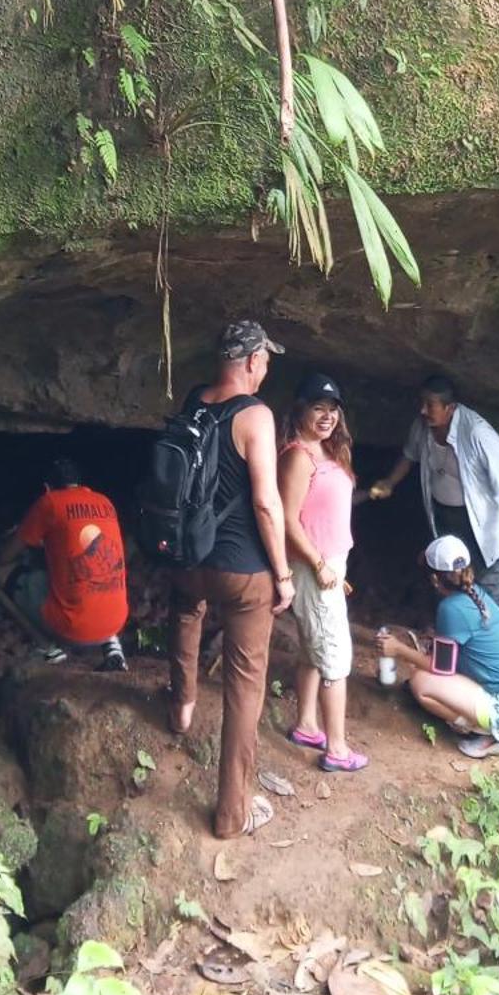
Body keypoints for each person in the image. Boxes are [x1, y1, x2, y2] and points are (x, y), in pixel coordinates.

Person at [167, 316, 295, 839]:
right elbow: (266, 502)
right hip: (242, 570)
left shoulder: (195, 401)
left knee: (185, 613)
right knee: (245, 687)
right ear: (249, 362)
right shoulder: (256, 415)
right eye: (264, 361)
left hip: (189, 559)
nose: (265, 370)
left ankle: (181, 707)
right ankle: (230, 813)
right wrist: (283, 574)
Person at [377, 534, 499, 759]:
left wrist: (399, 650)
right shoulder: (477, 593)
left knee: (421, 682)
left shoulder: (451, 608)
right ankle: (495, 726)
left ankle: (490, 735)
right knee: (425, 672)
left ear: (435, 580)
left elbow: (442, 667)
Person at [277, 370, 368, 774]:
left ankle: (306, 725)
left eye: (333, 409)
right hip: (313, 566)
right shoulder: (298, 455)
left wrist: (333, 566)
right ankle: (336, 749)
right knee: (335, 658)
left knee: (314, 652)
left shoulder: (330, 452)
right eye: (319, 408)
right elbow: (287, 519)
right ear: (300, 411)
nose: (328, 416)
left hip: (330, 564)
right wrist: (317, 565)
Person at [368, 374, 499, 607]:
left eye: (430, 405)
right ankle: (455, 629)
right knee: (448, 574)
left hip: (480, 522)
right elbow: (409, 455)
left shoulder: (478, 434)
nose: (422, 410)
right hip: (443, 517)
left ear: (450, 408)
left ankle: (494, 632)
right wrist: (390, 482)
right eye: (422, 403)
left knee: (487, 579)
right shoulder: (422, 426)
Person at [0, 458, 128, 670]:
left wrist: (17, 534)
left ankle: (47, 648)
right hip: (116, 621)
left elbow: (4, 557)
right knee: (100, 579)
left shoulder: (50, 503)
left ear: (47, 488)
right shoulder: (105, 502)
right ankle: (112, 645)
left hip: (73, 629)